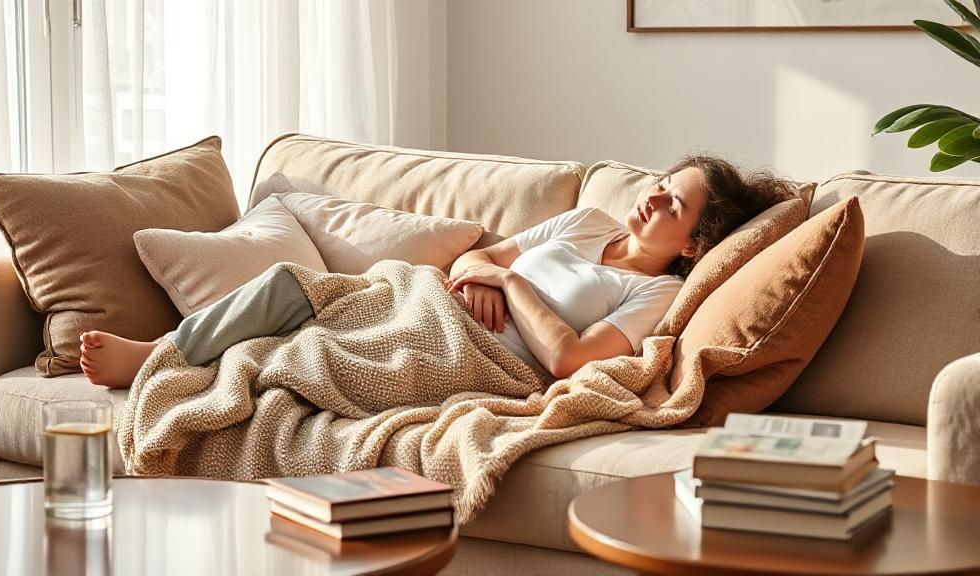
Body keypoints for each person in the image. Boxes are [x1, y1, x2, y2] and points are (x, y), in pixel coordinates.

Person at [79, 155, 795, 388]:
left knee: (306, 354)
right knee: (283, 290)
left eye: (674, 202)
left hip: (482, 357)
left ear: (696, 243)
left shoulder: (657, 291)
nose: (653, 195)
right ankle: (162, 355)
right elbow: (480, 255)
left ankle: (170, 365)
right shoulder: (588, 223)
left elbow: (572, 360)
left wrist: (510, 283)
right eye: (662, 181)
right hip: (428, 301)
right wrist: (487, 271)